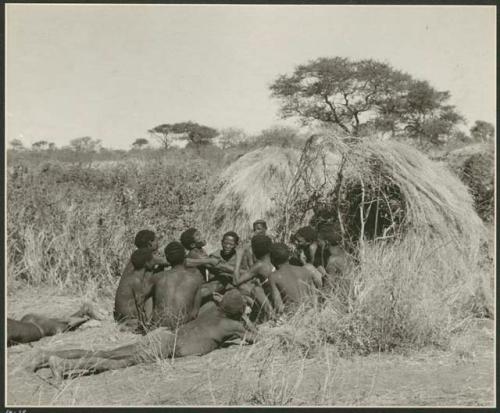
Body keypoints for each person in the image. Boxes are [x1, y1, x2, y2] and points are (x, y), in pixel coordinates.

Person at [29, 290, 257, 379]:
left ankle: (49, 355)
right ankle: (63, 366)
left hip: (162, 335)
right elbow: (256, 338)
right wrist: (246, 319)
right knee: (118, 363)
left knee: (108, 352)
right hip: (167, 347)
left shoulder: (211, 311)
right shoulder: (232, 325)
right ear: (237, 312)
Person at [149, 241, 203, 330]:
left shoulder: (157, 277)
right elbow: (194, 313)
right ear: (185, 257)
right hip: (181, 328)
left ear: (167, 259)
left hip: (158, 327)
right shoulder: (196, 279)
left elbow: (141, 298)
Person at [8, 303, 101, 346]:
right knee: (61, 324)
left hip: (37, 327)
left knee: (63, 327)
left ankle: (84, 313)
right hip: (28, 322)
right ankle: (82, 313)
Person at [268, 243, 322, 314]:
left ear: (272, 259)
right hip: (310, 311)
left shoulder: (273, 277)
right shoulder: (304, 270)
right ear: (289, 256)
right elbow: (314, 295)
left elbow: (278, 306)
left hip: (294, 315)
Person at [233, 234, 275, 321]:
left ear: (254, 250)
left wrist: (239, 257)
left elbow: (236, 281)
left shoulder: (259, 265)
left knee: (248, 288)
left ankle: (268, 316)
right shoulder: (273, 259)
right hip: (276, 296)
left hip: (271, 299)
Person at [113, 248, 157, 330]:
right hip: (129, 320)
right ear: (146, 263)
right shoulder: (136, 280)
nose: (154, 262)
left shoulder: (131, 276)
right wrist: (145, 325)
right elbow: (140, 304)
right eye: (152, 260)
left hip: (121, 317)